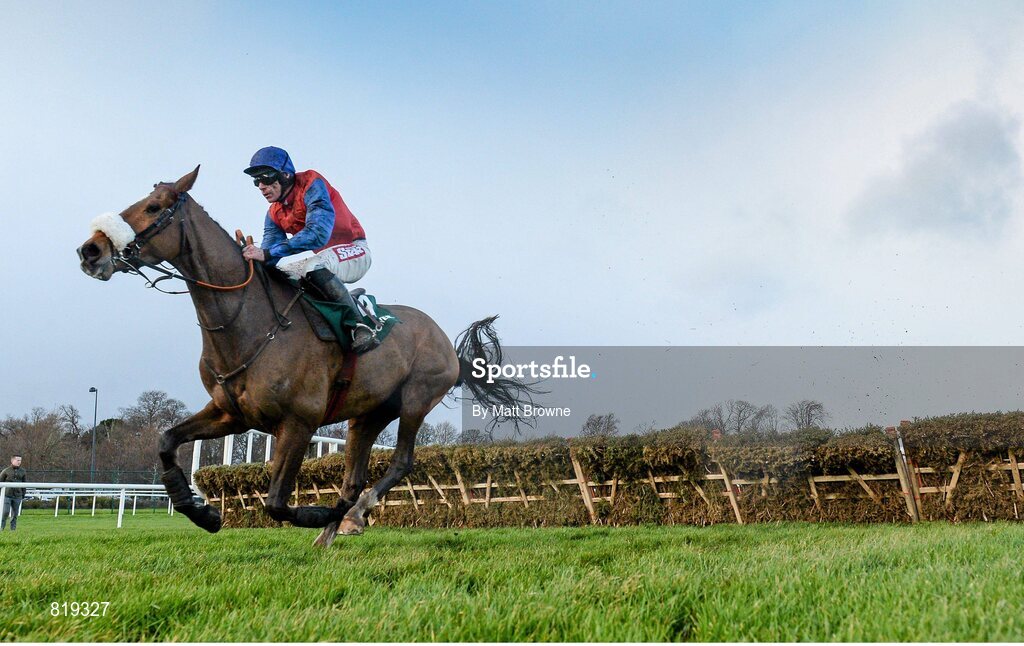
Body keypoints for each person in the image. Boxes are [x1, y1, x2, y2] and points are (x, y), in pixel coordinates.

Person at [241, 146, 377, 352]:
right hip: (327, 259)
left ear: (285, 174)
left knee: (313, 266)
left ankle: (360, 326)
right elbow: (268, 256)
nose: (261, 186)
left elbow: (317, 233)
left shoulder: (312, 183)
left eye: (266, 178)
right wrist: (248, 257)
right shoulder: (273, 213)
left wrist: (267, 253)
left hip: (355, 250)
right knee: (281, 275)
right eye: (256, 181)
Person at [0, 455, 26, 531]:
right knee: (5, 512)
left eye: (20, 460)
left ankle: (13, 530)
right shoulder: (6, 471)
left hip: (17, 496)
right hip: (6, 495)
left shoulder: (23, 471)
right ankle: (1, 528)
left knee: (15, 514)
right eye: (17, 460)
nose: (19, 462)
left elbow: (24, 484)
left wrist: (23, 494)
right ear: (12, 461)